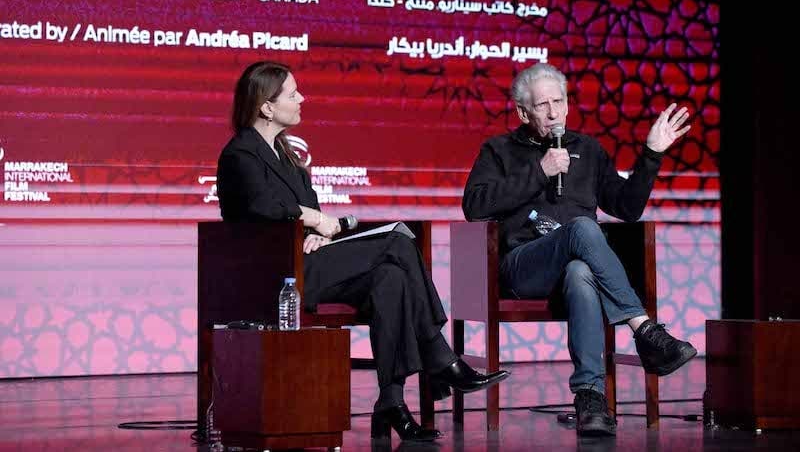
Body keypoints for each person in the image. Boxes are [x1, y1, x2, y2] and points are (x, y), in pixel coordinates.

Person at [216, 61, 509, 442]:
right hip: (276, 277)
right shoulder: (240, 155)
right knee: (398, 242)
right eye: (292, 93)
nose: (302, 98)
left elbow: (317, 219)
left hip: (310, 263)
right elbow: (260, 208)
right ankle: (439, 357)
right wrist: (309, 219)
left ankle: (391, 401)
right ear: (267, 107)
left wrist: (321, 233)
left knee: (390, 279)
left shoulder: (291, 161)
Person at [462, 63, 697, 437]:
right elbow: (473, 206)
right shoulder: (499, 150)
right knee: (584, 228)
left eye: (559, 101)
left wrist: (651, 154)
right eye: (542, 105)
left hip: (576, 271)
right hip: (525, 267)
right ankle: (645, 330)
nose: (554, 112)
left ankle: (590, 400)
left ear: (569, 105)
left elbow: (627, 207)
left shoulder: (588, 150)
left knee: (581, 271)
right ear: (523, 112)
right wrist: (539, 171)